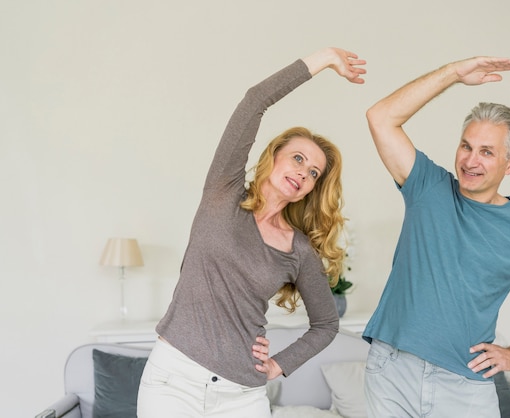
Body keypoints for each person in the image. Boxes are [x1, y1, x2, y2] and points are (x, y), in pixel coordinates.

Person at [137, 47, 366, 417]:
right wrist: (322, 60)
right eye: (298, 159)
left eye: (313, 173)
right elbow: (254, 100)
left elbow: (326, 325)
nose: (303, 173)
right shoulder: (223, 192)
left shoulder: (299, 249)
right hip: (173, 381)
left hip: (241, 395)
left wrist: (279, 364)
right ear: (274, 155)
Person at [361, 56, 510, 418]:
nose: (470, 161)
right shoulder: (427, 186)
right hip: (392, 371)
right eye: (466, 146)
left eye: (486, 152)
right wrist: (452, 74)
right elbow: (380, 117)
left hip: (464, 385)